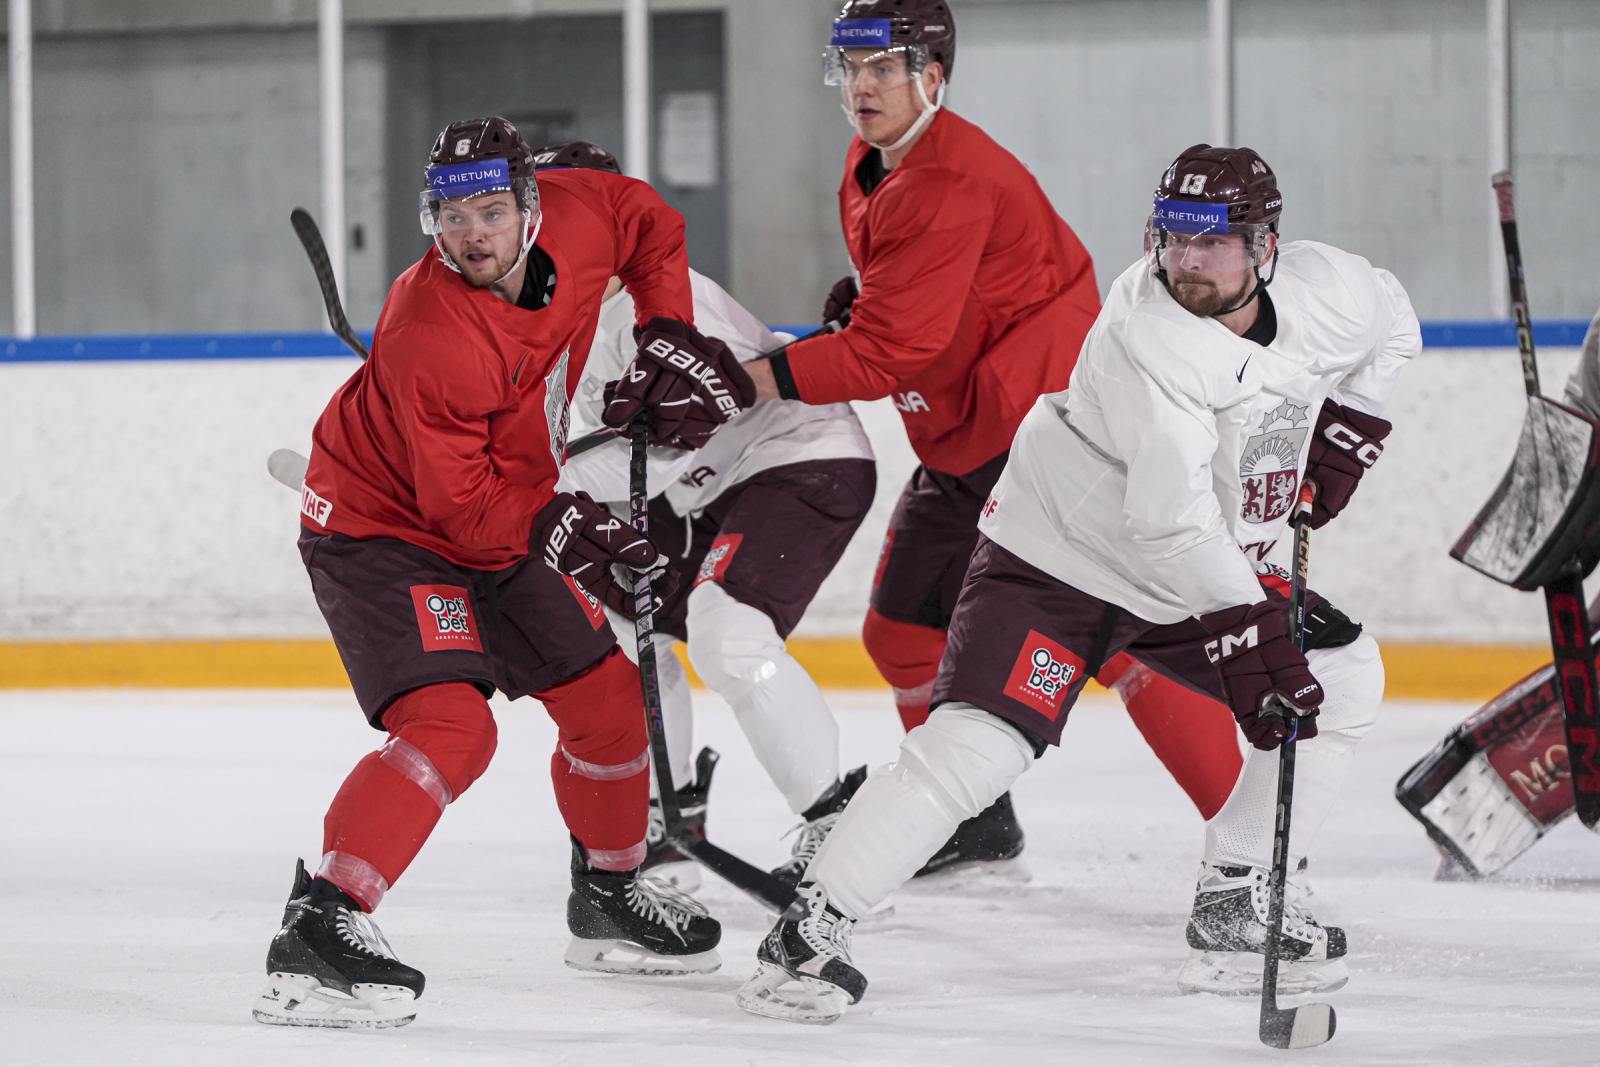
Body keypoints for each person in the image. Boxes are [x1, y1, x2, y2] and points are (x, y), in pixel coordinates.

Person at [738, 144, 1419, 1023]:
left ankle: (1236, 896)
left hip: (1197, 568)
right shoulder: (1149, 334)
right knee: (980, 745)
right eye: (1173, 238)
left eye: (1212, 242)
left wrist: (1353, 427)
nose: (1186, 260)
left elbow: (1393, 322)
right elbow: (1170, 519)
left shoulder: (1333, 292)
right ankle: (808, 932)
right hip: (1062, 563)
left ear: (1265, 246)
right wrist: (1247, 626)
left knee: (1347, 670)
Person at [252, 116, 755, 1029]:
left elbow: (653, 228)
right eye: (452, 216)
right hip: (383, 530)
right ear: (431, 221)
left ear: (530, 204)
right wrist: (565, 526)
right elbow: (460, 510)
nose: (472, 234)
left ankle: (607, 895)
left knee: (609, 701)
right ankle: (321, 924)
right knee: (452, 725)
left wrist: (666, 330)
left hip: (505, 508)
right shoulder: (428, 329)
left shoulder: (584, 212)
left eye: (490, 210)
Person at [740, 0, 1247, 874]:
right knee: (901, 630)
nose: (861, 87)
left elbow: (889, 351)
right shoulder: (874, 161)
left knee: (1122, 639)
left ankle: (1251, 848)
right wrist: (875, 298)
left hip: (1046, 439)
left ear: (932, 77)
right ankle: (973, 823)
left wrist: (743, 380)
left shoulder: (949, 176)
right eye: (850, 69)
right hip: (966, 438)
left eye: (883, 68)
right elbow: (923, 303)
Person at [539, 142, 880, 891]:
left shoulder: (663, 305)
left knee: (730, 636)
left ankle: (841, 831)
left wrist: (524, 489)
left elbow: (652, 453)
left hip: (796, 457)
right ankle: (666, 819)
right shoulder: (561, 315)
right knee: (628, 630)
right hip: (696, 491)